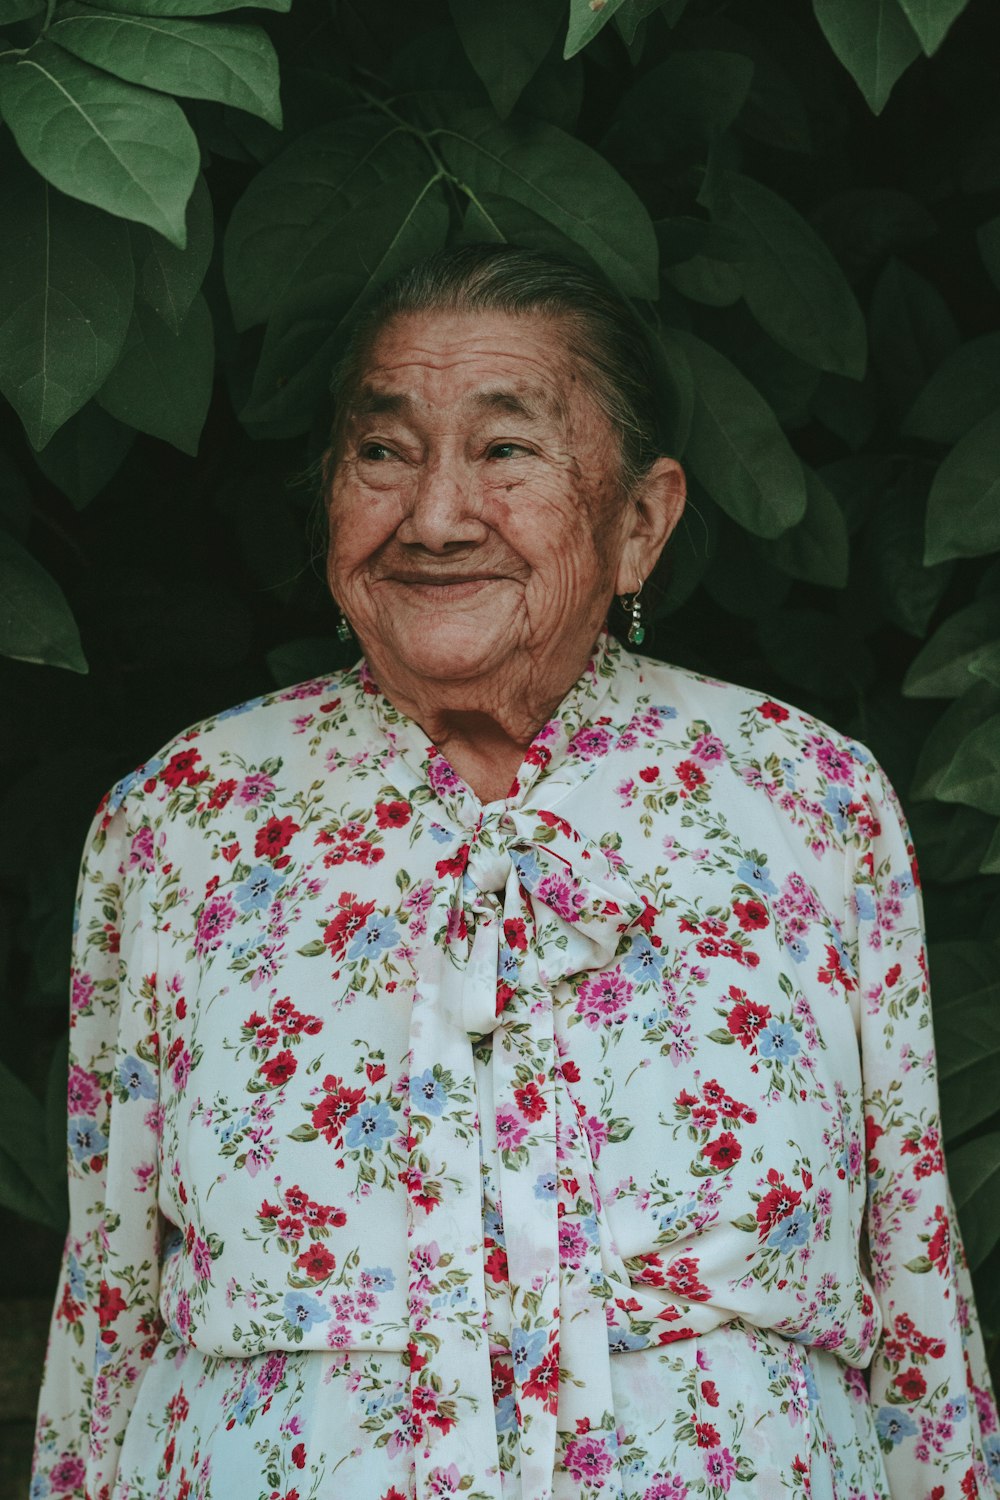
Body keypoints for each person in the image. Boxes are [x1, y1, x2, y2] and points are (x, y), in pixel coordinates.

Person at [32, 244, 1000, 1500]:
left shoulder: (802, 799)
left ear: (639, 522)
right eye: (382, 452)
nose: (433, 516)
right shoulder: (186, 817)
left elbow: (913, 1277)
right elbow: (109, 1306)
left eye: (505, 453)